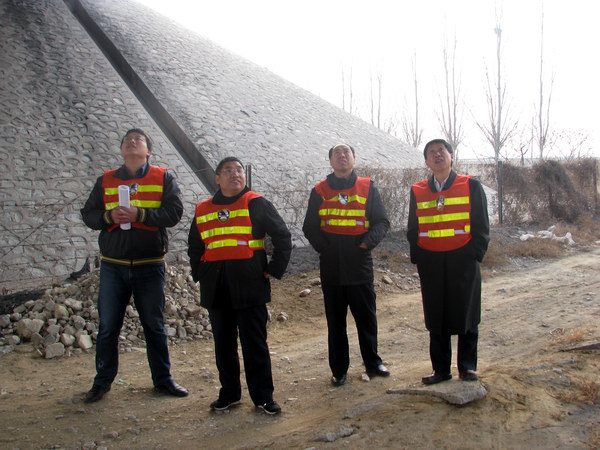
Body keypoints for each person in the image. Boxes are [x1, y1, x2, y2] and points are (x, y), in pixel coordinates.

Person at [81, 128, 188, 403]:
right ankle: (102, 381)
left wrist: (139, 214)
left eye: (138, 139)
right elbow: (89, 214)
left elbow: (174, 213)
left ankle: (163, 380)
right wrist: (109, 217)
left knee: (154, 324)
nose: (132, 142)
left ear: (148, 151)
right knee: (108, 327)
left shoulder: (163, 178)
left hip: (149, 265)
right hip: (113, 266)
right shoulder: (106, 180)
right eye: (127, 140)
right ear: (121, 149)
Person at [188, 157, 291, 415]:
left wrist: (274, 268)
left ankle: (263, 397)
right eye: (228, 170)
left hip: (250, 285)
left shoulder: (257, 203)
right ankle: (229, 394)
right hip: (216, 287)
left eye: (239, 170)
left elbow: (282, 236)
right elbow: (195, 246)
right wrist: (200, 273)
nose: (235, 174)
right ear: (217, 178)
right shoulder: (203, 208)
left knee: (254, 344)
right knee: (223, 346)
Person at [302, 143, 391, 387]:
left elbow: (382, 222)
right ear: (330, 160)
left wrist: (366, 243)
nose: (342, 156)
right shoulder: (319, 190)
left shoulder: (367, 186)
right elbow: (309, 226)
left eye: (346, 152)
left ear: (354, 158)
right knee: (335, 322)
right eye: (337, 153)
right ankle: (339, 370)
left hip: (359, 263)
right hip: (331, 266)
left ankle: (373, 363)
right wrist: (325, 247)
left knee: (366, 318)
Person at [407, 138, 490, 385]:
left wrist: (474, 253)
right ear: (426, 161)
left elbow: (481, 224)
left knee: (467, 312)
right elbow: (413, 227)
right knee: (436, 315)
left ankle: (467, 367)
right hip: (431, 262)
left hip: (463, 259)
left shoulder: (471, 185)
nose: (437, 155)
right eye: (431, 152)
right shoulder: (418, 190)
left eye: (441, 150)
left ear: (451, 156)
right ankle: (441, 369)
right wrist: (418, 257)